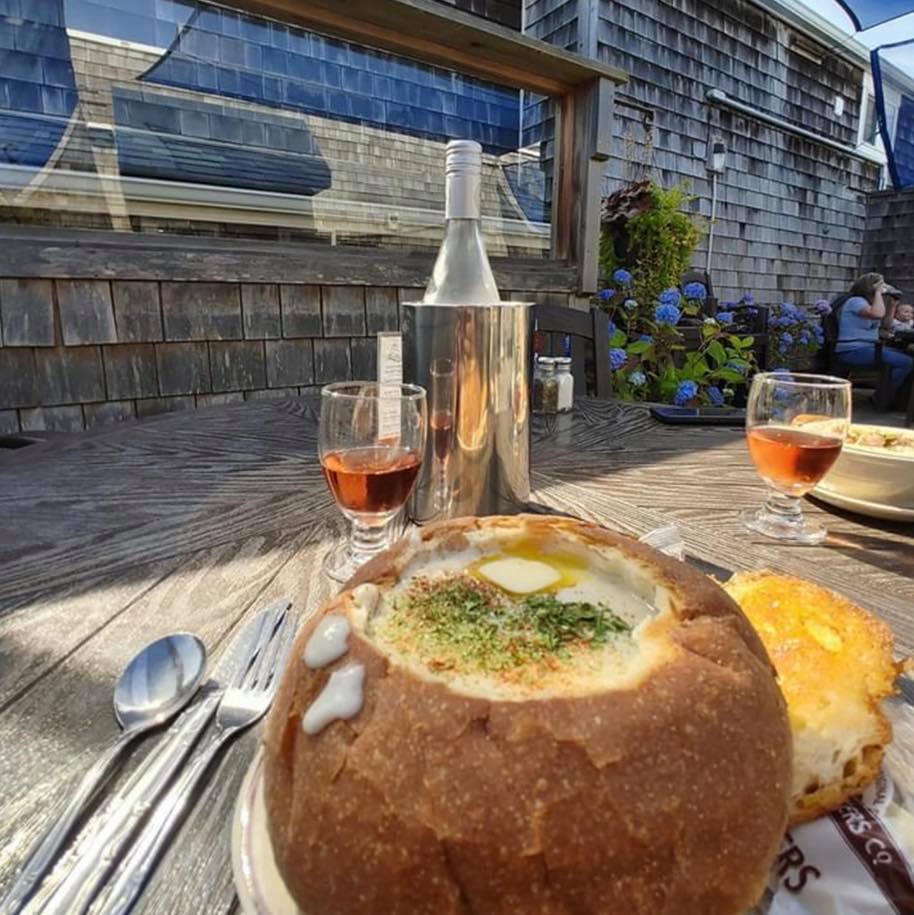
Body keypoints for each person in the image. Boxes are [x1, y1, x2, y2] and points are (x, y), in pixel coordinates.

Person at [835, 273, 913, 404]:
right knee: (906, 362)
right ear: (870, 287)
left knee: (907, 357)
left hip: (867, 348)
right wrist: (878, 292)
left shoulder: (868, 304)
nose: (884, 288)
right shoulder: (855, 301)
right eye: (881, 285)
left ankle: (897, 399)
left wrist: (893, 306)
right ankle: (883, 398)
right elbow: (877, 314)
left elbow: (886, 325)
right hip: (852, 350)